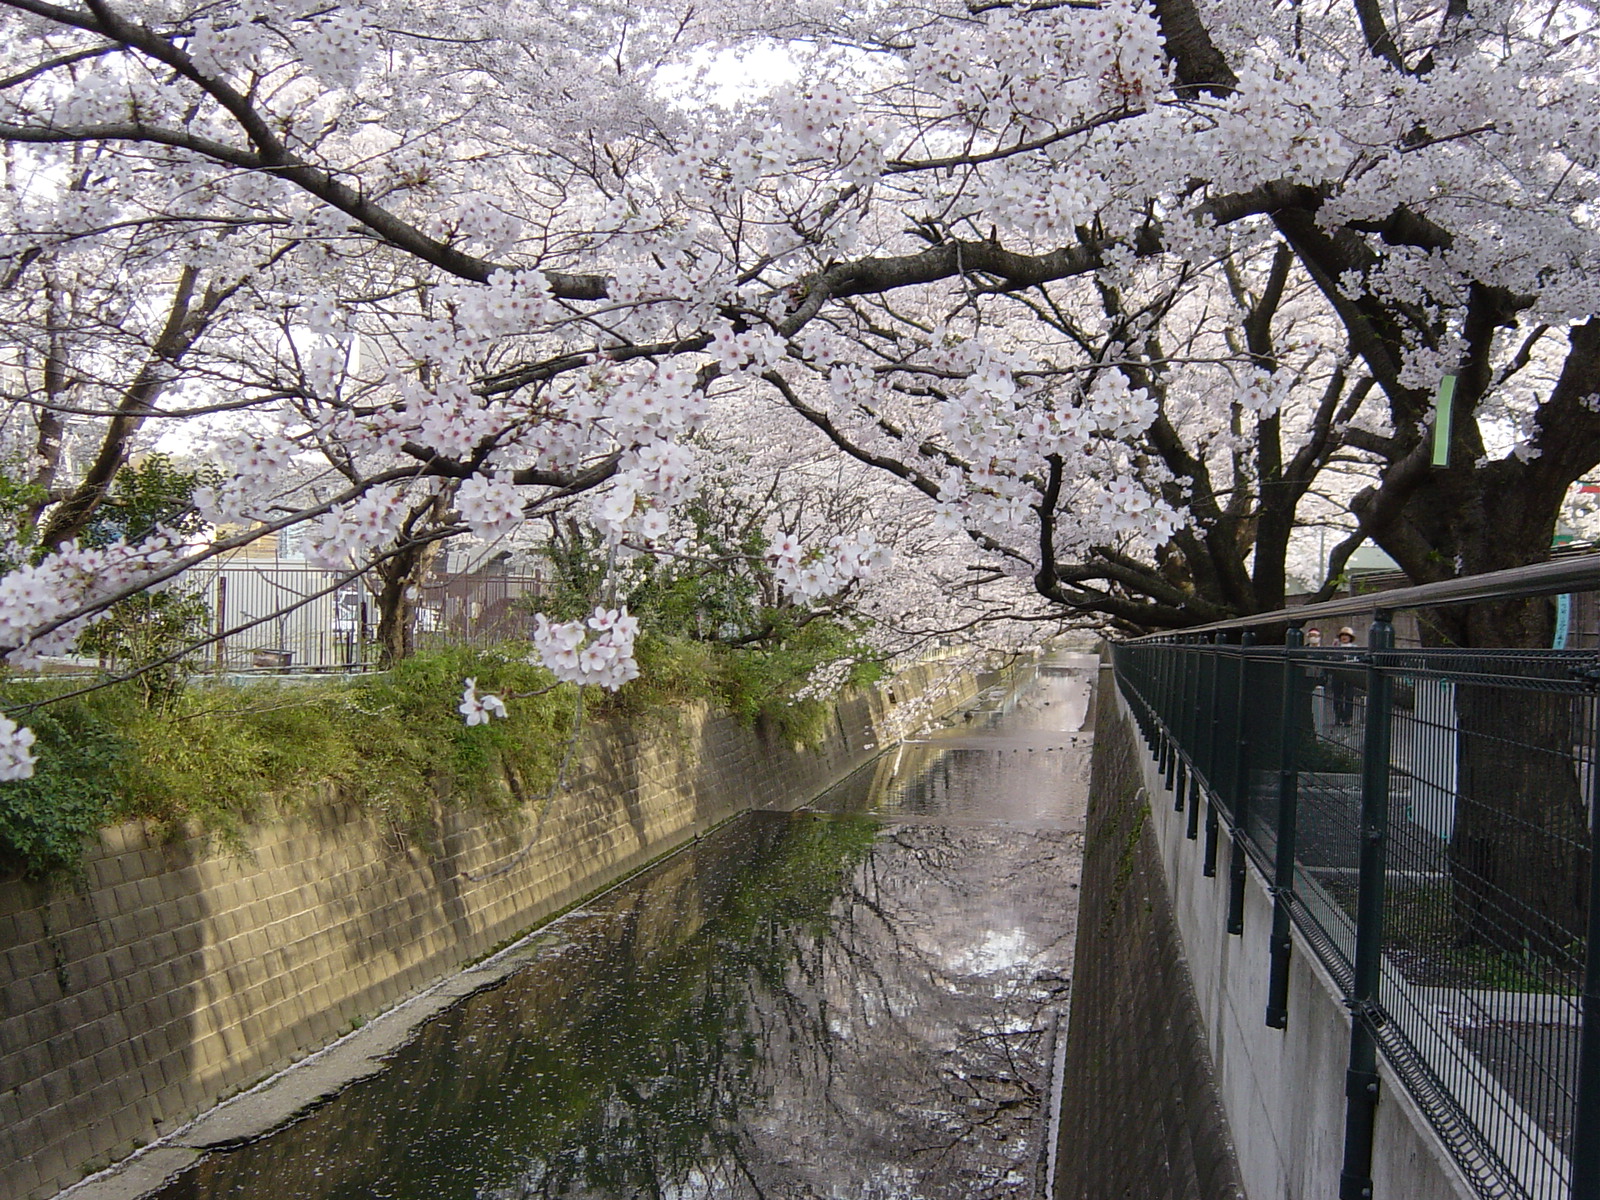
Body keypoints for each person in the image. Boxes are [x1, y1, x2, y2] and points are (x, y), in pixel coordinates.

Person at [1330, 625, 1358, 725]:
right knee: (1337, 696)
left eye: (1347, 635)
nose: (1344, 637)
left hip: (1350, 675)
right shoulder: (1336, 647)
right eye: (1342, 635)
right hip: (1337, 674)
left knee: (1349, 697)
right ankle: (1338, 716)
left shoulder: (1355, 649)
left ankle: (1347, 718)